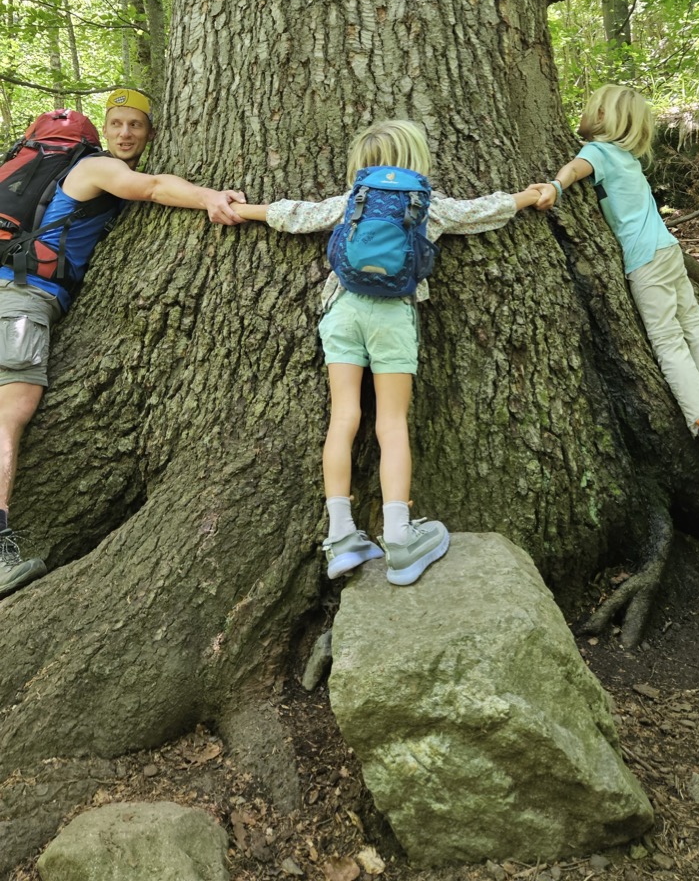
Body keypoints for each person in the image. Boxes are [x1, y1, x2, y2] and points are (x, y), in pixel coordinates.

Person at [231, 118, 540, 586]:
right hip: (394, 317)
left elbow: (295, 215)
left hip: (343, 310)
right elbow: (481, 212)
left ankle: (341, 535)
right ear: (416, 160)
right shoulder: (427, 205)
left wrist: (242, 209)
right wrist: (528, 196)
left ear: (362, 164)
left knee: (343, 417)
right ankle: (398, 535)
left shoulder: (351, 201)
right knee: (391, 423)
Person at [0, 88, 244, 598]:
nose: (126, 133)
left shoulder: (16, 174)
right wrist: (209, 197)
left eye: (135, 125)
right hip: (21, 300)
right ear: (97, 136)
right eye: (117, 124)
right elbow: (151, 187)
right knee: (8, 416)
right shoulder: (92, 168)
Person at [530, 83, 699, 460]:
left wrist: (555, 186)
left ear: (602, 116)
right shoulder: (627, 157)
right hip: (668, 250)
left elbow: (575, 169)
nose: (583, 114)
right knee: (696, 332)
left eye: (589, 108)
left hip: (646, 259)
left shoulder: (598, 151)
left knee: (668, 341)